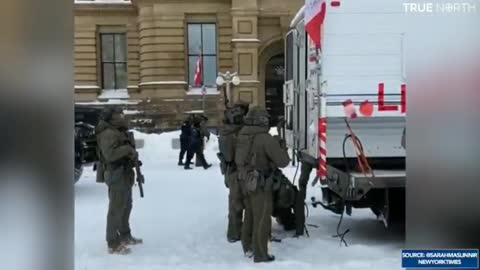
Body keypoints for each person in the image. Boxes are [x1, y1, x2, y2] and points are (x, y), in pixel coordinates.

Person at [235, 106, 290, 263]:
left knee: (250, 215)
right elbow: (283, 162)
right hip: (260, 183)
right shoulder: (264, 138)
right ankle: (260, 254)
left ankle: (248, 247)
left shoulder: (243, 135)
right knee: (262, 218)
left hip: (244, 180)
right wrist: (280, 145)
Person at [95, 107, 143, 255]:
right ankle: (113, 242)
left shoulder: (118, 131)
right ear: (111, 117)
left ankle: (125, 235)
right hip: (116, 174)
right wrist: (127, 150)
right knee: (116, 209)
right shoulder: (108, 133)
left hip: (125, 173)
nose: (122, 117)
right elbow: (109, 155)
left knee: (126, 206)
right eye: (118, 115)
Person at [217, 102, 249, 243]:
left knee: (235, 203)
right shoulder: (236, 132)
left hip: (230, 171)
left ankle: (234, 233)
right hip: (237, 170)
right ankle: (241, 232)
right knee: (244, 203)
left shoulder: (225, 131)